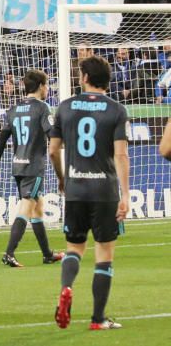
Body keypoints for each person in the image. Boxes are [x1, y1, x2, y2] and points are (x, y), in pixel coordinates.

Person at [49, 56, 129, 331]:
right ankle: (98, 319)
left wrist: (62, 178)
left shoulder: (65, 107)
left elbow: (52, 150)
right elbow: (120, 154)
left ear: (84, 78)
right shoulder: (117, 110)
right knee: (104, 253)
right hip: (104, 190)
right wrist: (126, 194)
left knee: (74, 248)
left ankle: (66, 288)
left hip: (76, 188)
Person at [0, 70, 63, 268]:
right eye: (46, 85)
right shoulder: (42, 108)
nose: (47, 89)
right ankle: (9, 253)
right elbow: (50, 134)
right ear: (40, 86)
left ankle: (47, 254)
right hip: (33, 166)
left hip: (17, 165)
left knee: (38, 207)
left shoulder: (13, 109)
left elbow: (2, 139)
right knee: (27, 207)